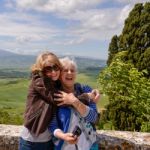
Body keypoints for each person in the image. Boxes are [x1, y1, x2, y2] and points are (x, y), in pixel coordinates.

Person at [49, 57, 99, 150]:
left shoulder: (86, 90)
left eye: (72, 70)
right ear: (59, 74)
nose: (69, 73)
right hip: (64, 146)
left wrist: (74, 101)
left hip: (90, 145)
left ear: (76, 74)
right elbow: (52, 125)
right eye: (65, 70)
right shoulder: (54, 96)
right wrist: (63, 136)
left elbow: (94, 118)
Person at [19, 51, 63, 150]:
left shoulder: (55, 84)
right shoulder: (39, 81)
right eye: (48, 69)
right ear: (41, 70)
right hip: (31, 141)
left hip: (48, 140)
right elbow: (58, 98)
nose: (53, 72)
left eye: (55, 67)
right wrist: (85, 97)